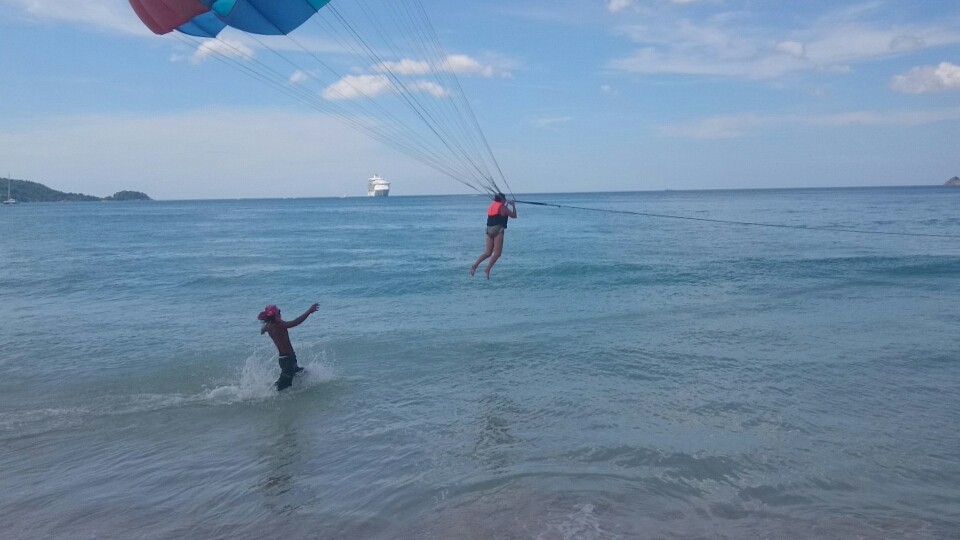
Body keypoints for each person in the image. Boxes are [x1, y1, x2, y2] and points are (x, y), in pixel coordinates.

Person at [258, 303, 319, 391]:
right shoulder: (279, 324)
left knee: (302, 373)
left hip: (287, 358)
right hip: (287, 360)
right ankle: (264, 394)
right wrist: (309, 311)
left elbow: (263, 329)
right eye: (279, 311)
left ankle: (303, 391)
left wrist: (263, 330)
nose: (280, 313)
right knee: (281, 387)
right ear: (276, 315)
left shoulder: (268, 326)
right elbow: (296, 322)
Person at [470, 192, 517, 279]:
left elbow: (500, 213)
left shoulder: (492, 206)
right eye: (504, 199)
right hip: (497, 230)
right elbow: (514, 216)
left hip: (489, 230)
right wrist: (513, 205)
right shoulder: (502, 207)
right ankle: (487, 269)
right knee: (497, 253)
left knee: (487, 253)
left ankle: (475, 265)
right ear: (502, 200)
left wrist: (507, 204)